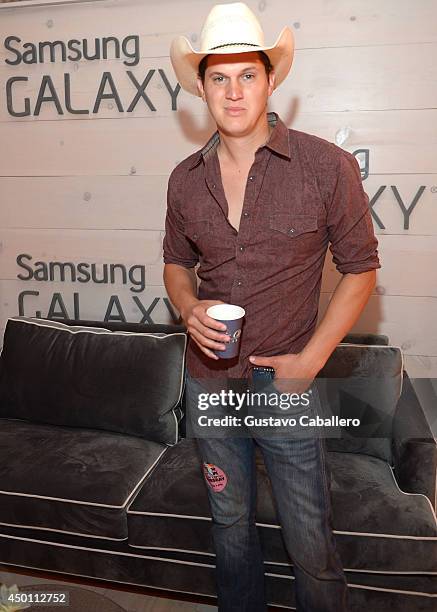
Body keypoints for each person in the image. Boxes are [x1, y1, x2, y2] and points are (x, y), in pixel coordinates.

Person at [163, 3, 380, 611]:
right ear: (202, 87)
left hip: (284, 385)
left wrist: (309, 362)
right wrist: (186, 307)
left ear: (270, 79)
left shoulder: (324, 166)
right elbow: (176, 264)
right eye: (219, 77)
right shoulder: (184, 179)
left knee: (310, 540)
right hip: (209, 385)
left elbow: (362, 269)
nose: (234, 92)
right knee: (230, 529)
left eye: (247, 75)